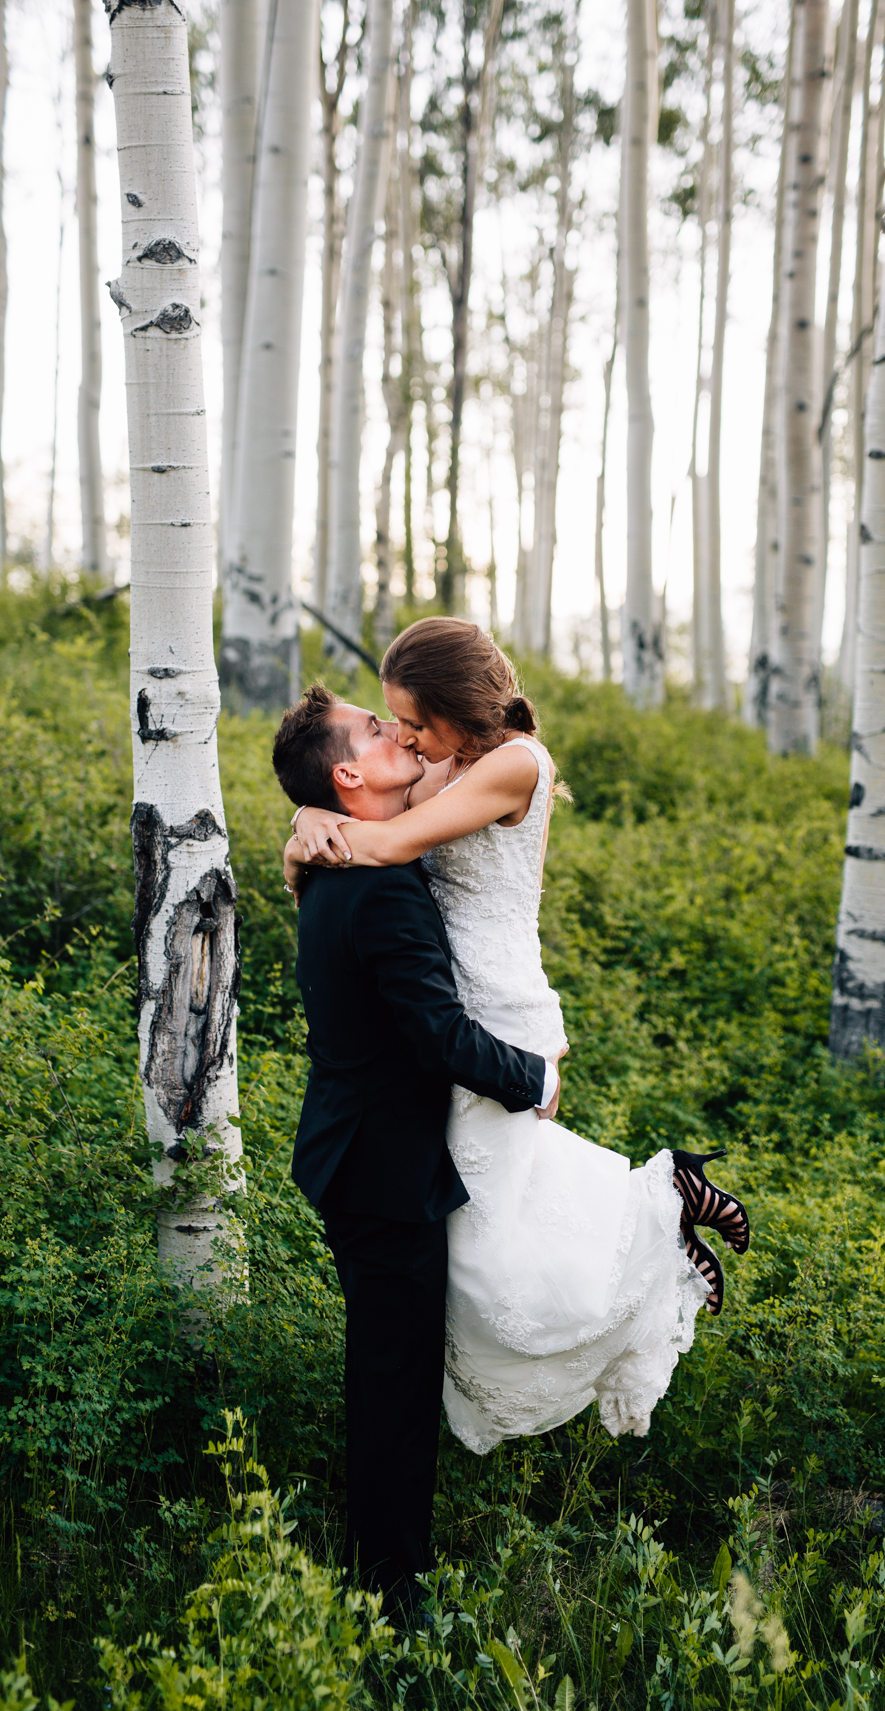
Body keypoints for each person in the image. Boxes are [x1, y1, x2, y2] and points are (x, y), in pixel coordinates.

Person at [284, 617, 750, 1463]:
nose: (411, 741)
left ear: (460, 708)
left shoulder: (515, 761)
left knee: (483, 1245)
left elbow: (385, 838)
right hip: (461, 1015)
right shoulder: (447, 763)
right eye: (398, 726)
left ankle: (663, 1216)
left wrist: (311, 827)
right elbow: (379, 808)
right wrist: (313, 813)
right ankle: (656, 1204)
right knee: (476, 1226)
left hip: (496, 1016)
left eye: (417, 723)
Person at [271, 684, 564, 1617]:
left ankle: (384, 1570)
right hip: (382, 1172)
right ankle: (392, 1597)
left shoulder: (347, 858)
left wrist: (308, 814)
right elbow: (439, 1034)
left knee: (388, 1375)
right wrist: (536, 1079)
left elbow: (467, 750)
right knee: (394, 1390)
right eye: (373, 727)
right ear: (352, 774)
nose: (398, 731)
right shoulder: (381, 883)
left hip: (362, 1154)